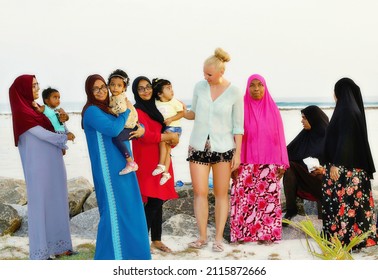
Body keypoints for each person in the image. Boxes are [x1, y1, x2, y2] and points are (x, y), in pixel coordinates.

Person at [81, 74, 151, 260]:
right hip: (109, 171)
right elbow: (113, 129)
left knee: (131, 210)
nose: (102, 90)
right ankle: (113, 258)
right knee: (114, 212)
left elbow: (128, 127)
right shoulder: (92, 111)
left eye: (103, 86)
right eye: (96, 88)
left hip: (125, 166)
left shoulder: (108, 108)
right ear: (89, 91)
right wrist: (127, 111)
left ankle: (135, 256)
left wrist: (141, 128)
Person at [9, 74, 75, 260]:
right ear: (22, 90)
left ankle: (60, 246)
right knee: (40, 205)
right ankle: (41, 252)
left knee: (57, 201)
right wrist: (64, 138)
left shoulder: (37, 111)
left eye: (37, 84)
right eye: (33, 86)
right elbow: (42, 134)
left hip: (53, 162)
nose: (37, 88)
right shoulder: (23, 113)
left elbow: (53, 128)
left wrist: (62, 126)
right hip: (38, 166)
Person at [183, 48, 244, 252]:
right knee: (199, 192)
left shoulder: (235, 92)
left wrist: (238, 153)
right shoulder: (199, 87)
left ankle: (218, 238)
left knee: (221, 194)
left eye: (209, 74)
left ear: (220, 72)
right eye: (204, 73)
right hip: (198, 146)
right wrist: (180, 113)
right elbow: (193, 114)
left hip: (224, 148)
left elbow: (238, 126)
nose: (205, 77)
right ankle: (201, 237)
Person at [230, 74, 289, 244]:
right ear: (247, 88)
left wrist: (283, 163)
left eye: (260, 85)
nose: (256, 89)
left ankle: (267, 234)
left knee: (268, 200)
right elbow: (232, 135)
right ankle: (242, 235)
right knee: (243, 200)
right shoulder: (240, 109)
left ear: (265, 87)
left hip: (269, 164)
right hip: (244, 162)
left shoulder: (273, 109)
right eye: (252, 85)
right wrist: (232, 162)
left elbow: (280, 138)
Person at [322, 77, 378, 249]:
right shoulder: (353, 110)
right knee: (355, 206)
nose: (333, 94)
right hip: (355, 170)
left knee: (344, 205)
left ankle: (343, 240)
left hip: (344, 171)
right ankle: (359, 238)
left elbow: (345, 140)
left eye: (335, 90)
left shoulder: (345, 111)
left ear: (340, 92)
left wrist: (336, 164)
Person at [131, 76, 179, 253]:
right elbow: (143, 135)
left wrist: (173, 140)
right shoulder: (136, 111)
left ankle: (156, 240)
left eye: (148, 87)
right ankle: (141, 240)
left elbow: (167, 131)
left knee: (158, 200)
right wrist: (167, 137)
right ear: (136, 92)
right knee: (154, 200)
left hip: (162, 159)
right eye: (141, 89)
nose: (145, 91)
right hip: (146, 160)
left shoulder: (157, 108)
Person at [282, 105, 329, 222]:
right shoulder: (304, 135)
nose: (301, 121)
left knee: (321, 177)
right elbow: (286, 153)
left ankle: (325, 218)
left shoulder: (329, 137)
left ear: (314, 119)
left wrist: (324, 170)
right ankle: (291, 210)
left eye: (304, 118)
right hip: (304, 178)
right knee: (289, 168)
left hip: (322, 178)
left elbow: (337, 161)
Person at [151, 77, 184, 185]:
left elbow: (181, 113)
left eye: (171, 88)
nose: (172, 90)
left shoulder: (174, 102)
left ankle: (161, 165)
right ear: (160, 94)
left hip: (175, 128)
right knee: (168, 151)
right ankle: (166, 173)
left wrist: (171, 119)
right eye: (168, 88)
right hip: (166, 129)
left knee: (162, 141)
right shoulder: (156, 102)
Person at [107, 69, 139, 175]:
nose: (115, 87)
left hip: (130, 126)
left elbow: (121, 109)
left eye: (119, 85)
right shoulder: (114, 97)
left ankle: (131, 162)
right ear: (108, 86)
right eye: (112, 84)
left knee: (116, 138)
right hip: (128, 124)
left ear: (124, 88)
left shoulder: (119, 98)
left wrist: (110, 110)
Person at [32, 87, 74, 154]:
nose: (58, 99)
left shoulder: (60, 109)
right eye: (55, 97)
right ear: (47, 100)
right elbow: (38, 110)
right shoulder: (45, 107)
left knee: (62, 152)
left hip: (62, 132)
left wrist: (65, 117)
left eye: (59, 98)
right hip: (53, 133)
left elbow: (66, 118)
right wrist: (36, 106)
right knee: (55, 151)